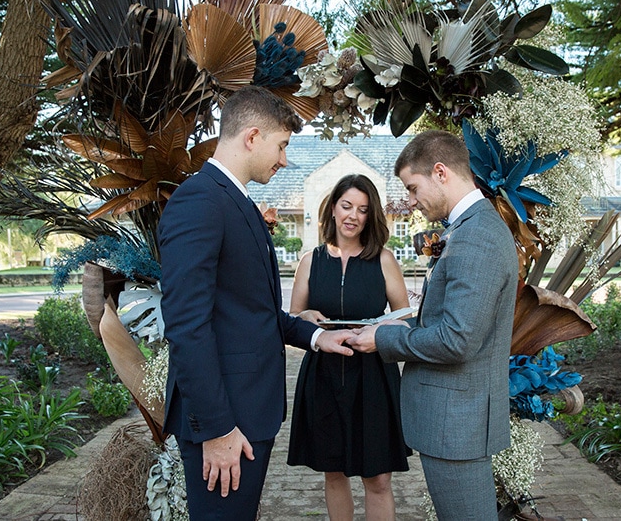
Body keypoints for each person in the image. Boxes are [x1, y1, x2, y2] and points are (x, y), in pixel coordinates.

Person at [158, 86, 355, 521]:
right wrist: (217, 429)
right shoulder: (200, 201)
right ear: (251, 137)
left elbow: (252, 312)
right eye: (281, 145)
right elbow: (187, 325)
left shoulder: (235, 202)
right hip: (226, 421)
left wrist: (319, 336)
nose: (284, 159)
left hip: (247, 413)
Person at [348, 130, 518, 520]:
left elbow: (457, 340)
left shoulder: (476, 237)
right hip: (454, 419)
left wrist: (385, 337)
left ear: (441, 172)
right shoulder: (467, 229)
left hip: (457, 422)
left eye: (412, 188)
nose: (410, 201)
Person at [287, 174, 412, 521]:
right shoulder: (310, 261)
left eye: (362, 209)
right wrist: (305, 314)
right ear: (332, 208)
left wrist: (383, 329)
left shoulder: (384, 260)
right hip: (323, 377)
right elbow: (294, 319)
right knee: (333, 472)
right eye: (346, 206)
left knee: (379, 477)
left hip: (373, 378)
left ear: (370, 216)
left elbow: (405, 320)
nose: (353, 215)